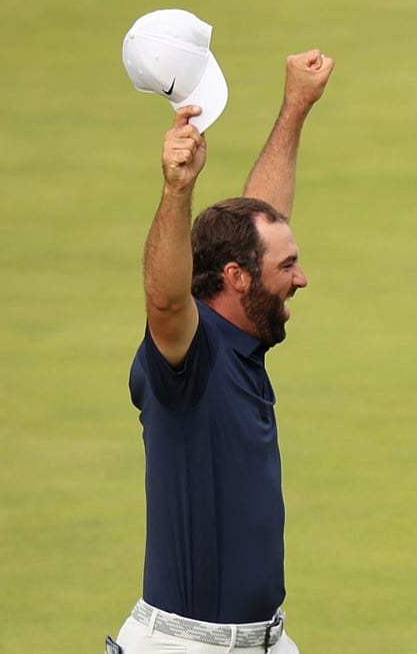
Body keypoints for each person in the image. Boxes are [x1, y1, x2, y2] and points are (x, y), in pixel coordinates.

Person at [109, 49, 334, 654]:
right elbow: (163, 300)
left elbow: (264, 220)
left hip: (264, 642)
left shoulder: (241, 341)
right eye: (288, 266)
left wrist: (294, 108)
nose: (302, 278)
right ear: (237, 278)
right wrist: (177, 189)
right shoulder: (187, 359)